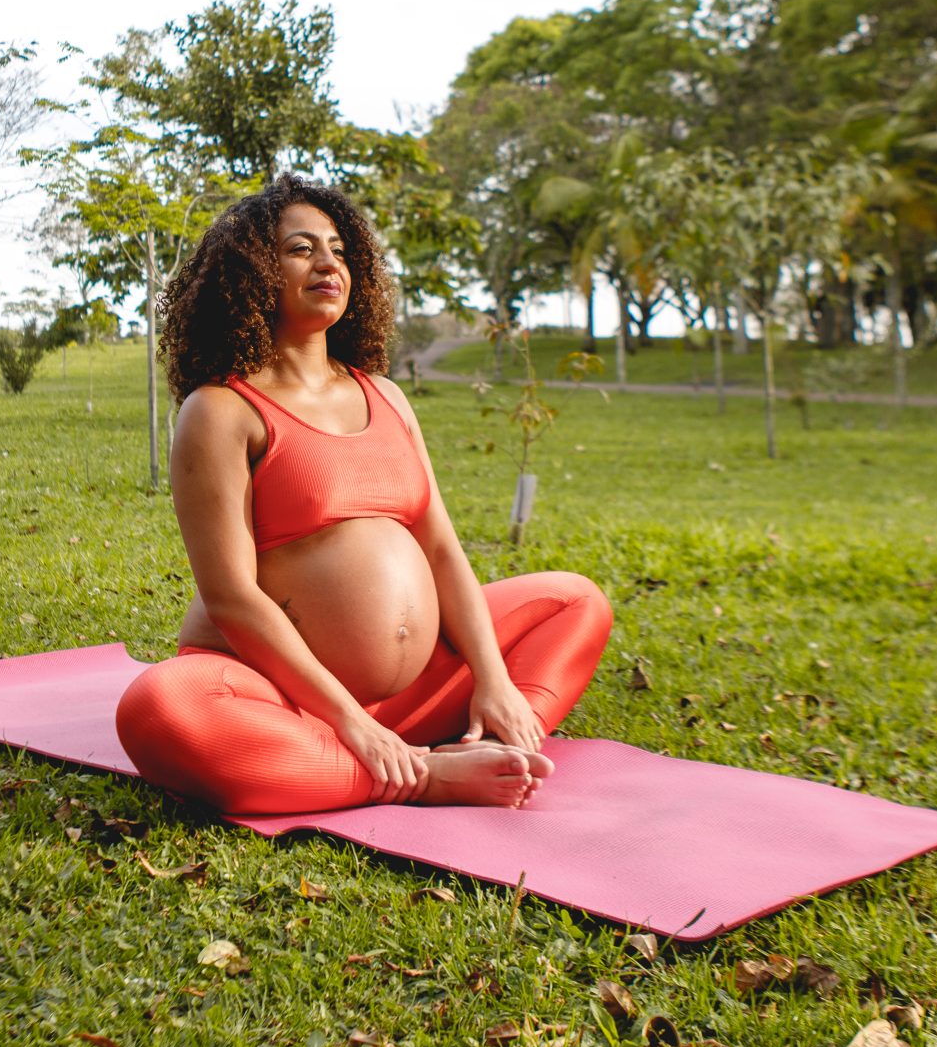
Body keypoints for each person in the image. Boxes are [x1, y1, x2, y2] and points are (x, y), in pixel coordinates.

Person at [115, 177, 613, 813]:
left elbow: (440, 550)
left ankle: (483, 736)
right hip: (282, 695)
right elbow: (232, 598)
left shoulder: (386, 395)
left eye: (341, 251)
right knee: (160, 708)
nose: (329, 263)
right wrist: (350, 719)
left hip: (412, 698)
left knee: (575, 602)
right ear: (251, 273)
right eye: (301, 249)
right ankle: (419, 776)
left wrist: (493, 681)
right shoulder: (221, 410)